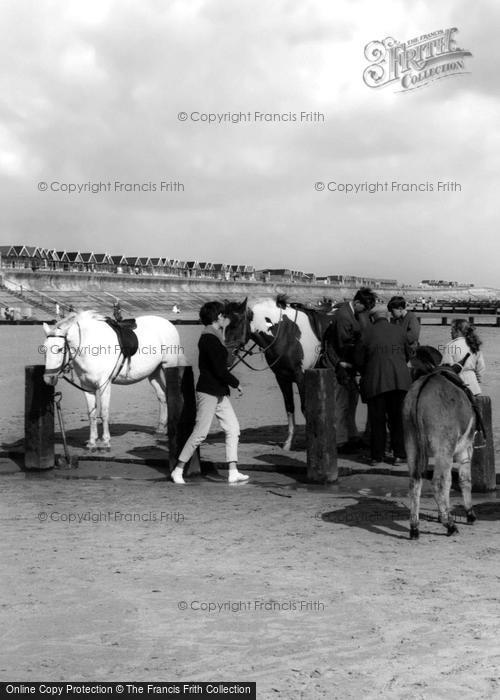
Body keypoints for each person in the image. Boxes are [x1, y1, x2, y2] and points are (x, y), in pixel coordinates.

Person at [170, 301, 249, 485]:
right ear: (217, 317)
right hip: (208, 392)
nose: (225, 318)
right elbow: (220, 369)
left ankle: (233, 471)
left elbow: (222, 361)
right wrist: (236, 383)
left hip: (218, 392)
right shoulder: (208, 339)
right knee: (200, 433)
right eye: (222, 315)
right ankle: (178, 469)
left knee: (233, 428)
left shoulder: (214, 335)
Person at [355, 305, 411, 466]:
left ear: (372, 318)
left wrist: (367, 369)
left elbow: (359, 360)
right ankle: (399, 455)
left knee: (377, 421)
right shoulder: (400, 331)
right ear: (387, 316)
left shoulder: (366, 333)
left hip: (376, 382)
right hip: (400, 381)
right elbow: (408, 354)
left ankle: (377, 456)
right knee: (397, 420)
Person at [326, 287, 376, 453]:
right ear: (357, 302)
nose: (366, 312)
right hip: (339, 364)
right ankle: (340, 440)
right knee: (341, 402)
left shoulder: (351, 312)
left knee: (352, 398)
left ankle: (351, 435)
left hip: (347, 363)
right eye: (365, 308)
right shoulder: (344, 316)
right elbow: (343, 344)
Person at [440, 319, 485, 395]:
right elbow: (481, 367)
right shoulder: (474, 345)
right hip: (474, 387)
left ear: (458, 331)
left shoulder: (451, 346)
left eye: (452, 329)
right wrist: (476, 380)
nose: (450, 332)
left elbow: (447, 369)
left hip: (457, 386)